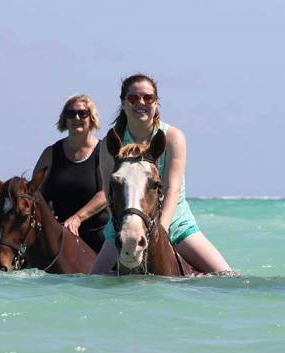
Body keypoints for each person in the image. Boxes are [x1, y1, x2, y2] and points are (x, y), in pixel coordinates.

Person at [91, 73, 232, 274]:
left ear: (156, 103)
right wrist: (121, 228)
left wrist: (160, 231)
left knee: (228, 278)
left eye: (148, 98)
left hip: (174, 223)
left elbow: (172, 189)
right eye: (133, 98)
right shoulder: (109, 144)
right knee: (90, 285)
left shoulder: (173, 137)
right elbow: (109, 191)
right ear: (123, 103)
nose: (141, 102)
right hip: (123, 223)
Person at [32, 94, 108, 252]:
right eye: (71, 113)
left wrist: (77, 218)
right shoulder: (50, 153)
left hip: (94, 232)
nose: (76, 117)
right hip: (56, 233)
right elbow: (34, 192)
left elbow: (105, 194)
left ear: (91, 118)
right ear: (64, 119)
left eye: (83, 113)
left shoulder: (103, 152)